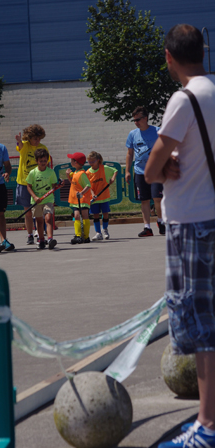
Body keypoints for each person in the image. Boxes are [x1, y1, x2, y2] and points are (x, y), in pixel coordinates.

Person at [144, 24, 215, 448]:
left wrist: (162, 167)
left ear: (169, 57)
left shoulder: (184, 97)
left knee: (201, 321)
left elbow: (154, 161)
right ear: (202, 52)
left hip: (191, 221)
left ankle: (207, 425)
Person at [125, 106, 165, 237]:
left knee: (157, 198)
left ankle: (161, 221)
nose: (136, 122)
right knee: (144, 200)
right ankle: (147, 227)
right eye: (134, 120)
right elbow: (130, 154)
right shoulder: (133, 134)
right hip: (140, 172)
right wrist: (127, 171)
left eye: (138, 119)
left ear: (145, 118)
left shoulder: (157, 131)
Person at [15, 124, 50, 245]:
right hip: (24, 183)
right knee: (28, 212)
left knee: (40, 211)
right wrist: (19, 141)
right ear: (29, 138)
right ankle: (30, 234)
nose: (38, 141)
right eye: (35, 138)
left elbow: (46, 163)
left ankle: (41, 233)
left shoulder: (42, 147)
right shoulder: (25, 145)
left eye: (39, 138)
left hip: (38, 183)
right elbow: (20, 146)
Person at [26, 148, 59, 250]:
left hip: (48, 200)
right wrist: (35, 197)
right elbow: (29, 186)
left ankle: (50, 239)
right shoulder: (32, 173)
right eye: (41, 161)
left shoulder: (51, 172)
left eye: (45, 161)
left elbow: (54, 186)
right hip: (36, 201)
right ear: (36, 161)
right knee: (39, 222)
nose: (43, 163)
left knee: (48, 218)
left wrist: (58, 185)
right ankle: (41, 240)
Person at [86, 151, 117, 240]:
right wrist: (93, 194)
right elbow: (89, 185)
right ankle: (98, 233)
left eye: (93, 161)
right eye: (89, 162)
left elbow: (115, 170)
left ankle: (105, 230)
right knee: (95, 215)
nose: (91, 163)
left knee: (105, 214)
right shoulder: (88, 172)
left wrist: (112, 179)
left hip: (104, 197)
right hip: (95, 199)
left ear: (98, 160)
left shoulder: (104, 168)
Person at [65, 152, 91, 244]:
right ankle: (78, 235)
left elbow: (88, 185)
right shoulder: (75, 172)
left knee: (84, 216)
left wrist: (81, 193)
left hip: (82, 199)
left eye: (71, 160)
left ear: (75, 162)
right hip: (76, 200)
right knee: (76, 216)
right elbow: (73, 183)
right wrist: (68, 176)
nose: (70, 161)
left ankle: (86, 236)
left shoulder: (82, 174)